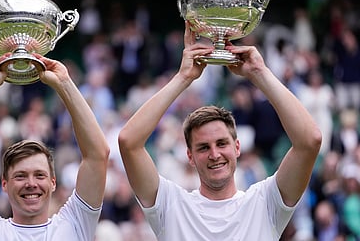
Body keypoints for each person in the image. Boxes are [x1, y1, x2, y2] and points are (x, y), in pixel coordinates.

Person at [117, 22, 322, 240]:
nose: (214, 154)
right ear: (190, 156)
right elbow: (129, 142)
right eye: (203, 147)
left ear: (237, 147)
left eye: (222, 143)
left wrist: (259, 73)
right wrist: (183, 78)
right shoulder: (171, 205)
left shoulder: (265, 202)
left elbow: (310, 141)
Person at [0, 52, 110, 240]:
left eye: (39, 175)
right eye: (20, 176)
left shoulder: (75, 223)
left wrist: (64, 83)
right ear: (4, 184)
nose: (31, 183)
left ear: (53, 182)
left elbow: (98, 155)